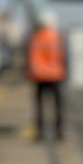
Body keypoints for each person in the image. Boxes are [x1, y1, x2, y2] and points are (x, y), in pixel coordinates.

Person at [26, 10, 67, 141]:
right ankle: (59, 131)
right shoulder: (57, 37)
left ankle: (40, 131)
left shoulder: (35, 37)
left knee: (39, 106)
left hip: (39, 76)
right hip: (55, 75)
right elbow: (62, 56)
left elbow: (30, 56)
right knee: (58, 105)